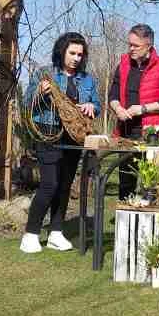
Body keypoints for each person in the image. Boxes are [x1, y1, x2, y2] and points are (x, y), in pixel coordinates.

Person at [20, 32, 101, 253]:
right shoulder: (45, 74)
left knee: (65, 184)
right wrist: (40, 92)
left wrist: (92, 107)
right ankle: (31, 233)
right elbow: (27, 102)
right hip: (48, 132)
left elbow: (97, 105)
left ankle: (56, 232)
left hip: (74, 135)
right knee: (50, 184)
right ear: (62, 51)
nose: (76, 58)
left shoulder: (87, 79)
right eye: (72, 53)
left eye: (80, 54)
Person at [108, 24, 159, 200]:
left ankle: (152, 226)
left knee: (152, 185)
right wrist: (118, 108)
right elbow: (113, 94)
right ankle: (125, 225)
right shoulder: (123, 64)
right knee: (125, 184)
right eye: (129, 44)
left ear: (148, 45)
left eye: (136, 45)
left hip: (153, 135)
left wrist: (142, 109)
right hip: (126, 134)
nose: (131, 48)